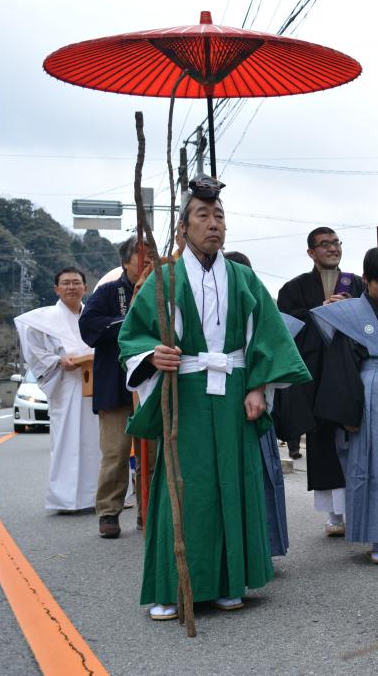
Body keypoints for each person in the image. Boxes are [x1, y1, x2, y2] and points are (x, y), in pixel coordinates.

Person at [119, 175, 310, 620]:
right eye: (202, 216)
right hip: (183, 394)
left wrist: (260, 387)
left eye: (219, 216)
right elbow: (134, 337)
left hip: (234, 396)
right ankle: (174, 585)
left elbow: (268, 337)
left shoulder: (243, 278)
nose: (213, 224)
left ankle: (229, 580)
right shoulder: (163, 279)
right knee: (185, 487)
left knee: (235, 483)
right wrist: (154, 353)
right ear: (183, 227)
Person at [311, 246, 378, 564]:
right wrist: (348, 413)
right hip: (365, 393)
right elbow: (340, 365)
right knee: (371, 465)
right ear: (366, 280)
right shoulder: (349, 315)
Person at [276, 227, 365, 536]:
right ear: (311, 252)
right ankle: (334, 515)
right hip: (316, 376)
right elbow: (287, 326)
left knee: (356, 443)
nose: (332, 249)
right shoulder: (294, 288)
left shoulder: (357, 284)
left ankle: (360, 510)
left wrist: (350, 310)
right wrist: (319, 313)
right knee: (324, 443)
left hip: (352, 375)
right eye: (324, 245)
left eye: (336, 243)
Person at [224, 249, 299, 557]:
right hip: (224, 409)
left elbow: (276, 360)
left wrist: (259, 385)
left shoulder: (261, 310)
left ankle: (264, 547)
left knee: (261, 480)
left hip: (256, 412)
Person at [79, 236, 150, 538]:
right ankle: (109, 512)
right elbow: (89, 327)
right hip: (115, 385)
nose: (147, 260)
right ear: (126, 261)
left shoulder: (165, 290)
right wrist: (130, 320)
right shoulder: (108, 292)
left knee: (155, 453)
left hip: (152, 383)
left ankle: (150, 510)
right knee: (116, 453)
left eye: (151, 254)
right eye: (141, 254)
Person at [14, 268, 101, 512]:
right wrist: (57, 361)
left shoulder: (93, 315)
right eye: (66, 283)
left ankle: (99, 496)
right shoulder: (43, 319)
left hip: (95, 382)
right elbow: (34, 351)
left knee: (98, 441)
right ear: (56, 289)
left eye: (76, 283)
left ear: (85, 287)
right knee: (67, 441)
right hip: (66, 385)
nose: (71, 287)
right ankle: (66, 499)